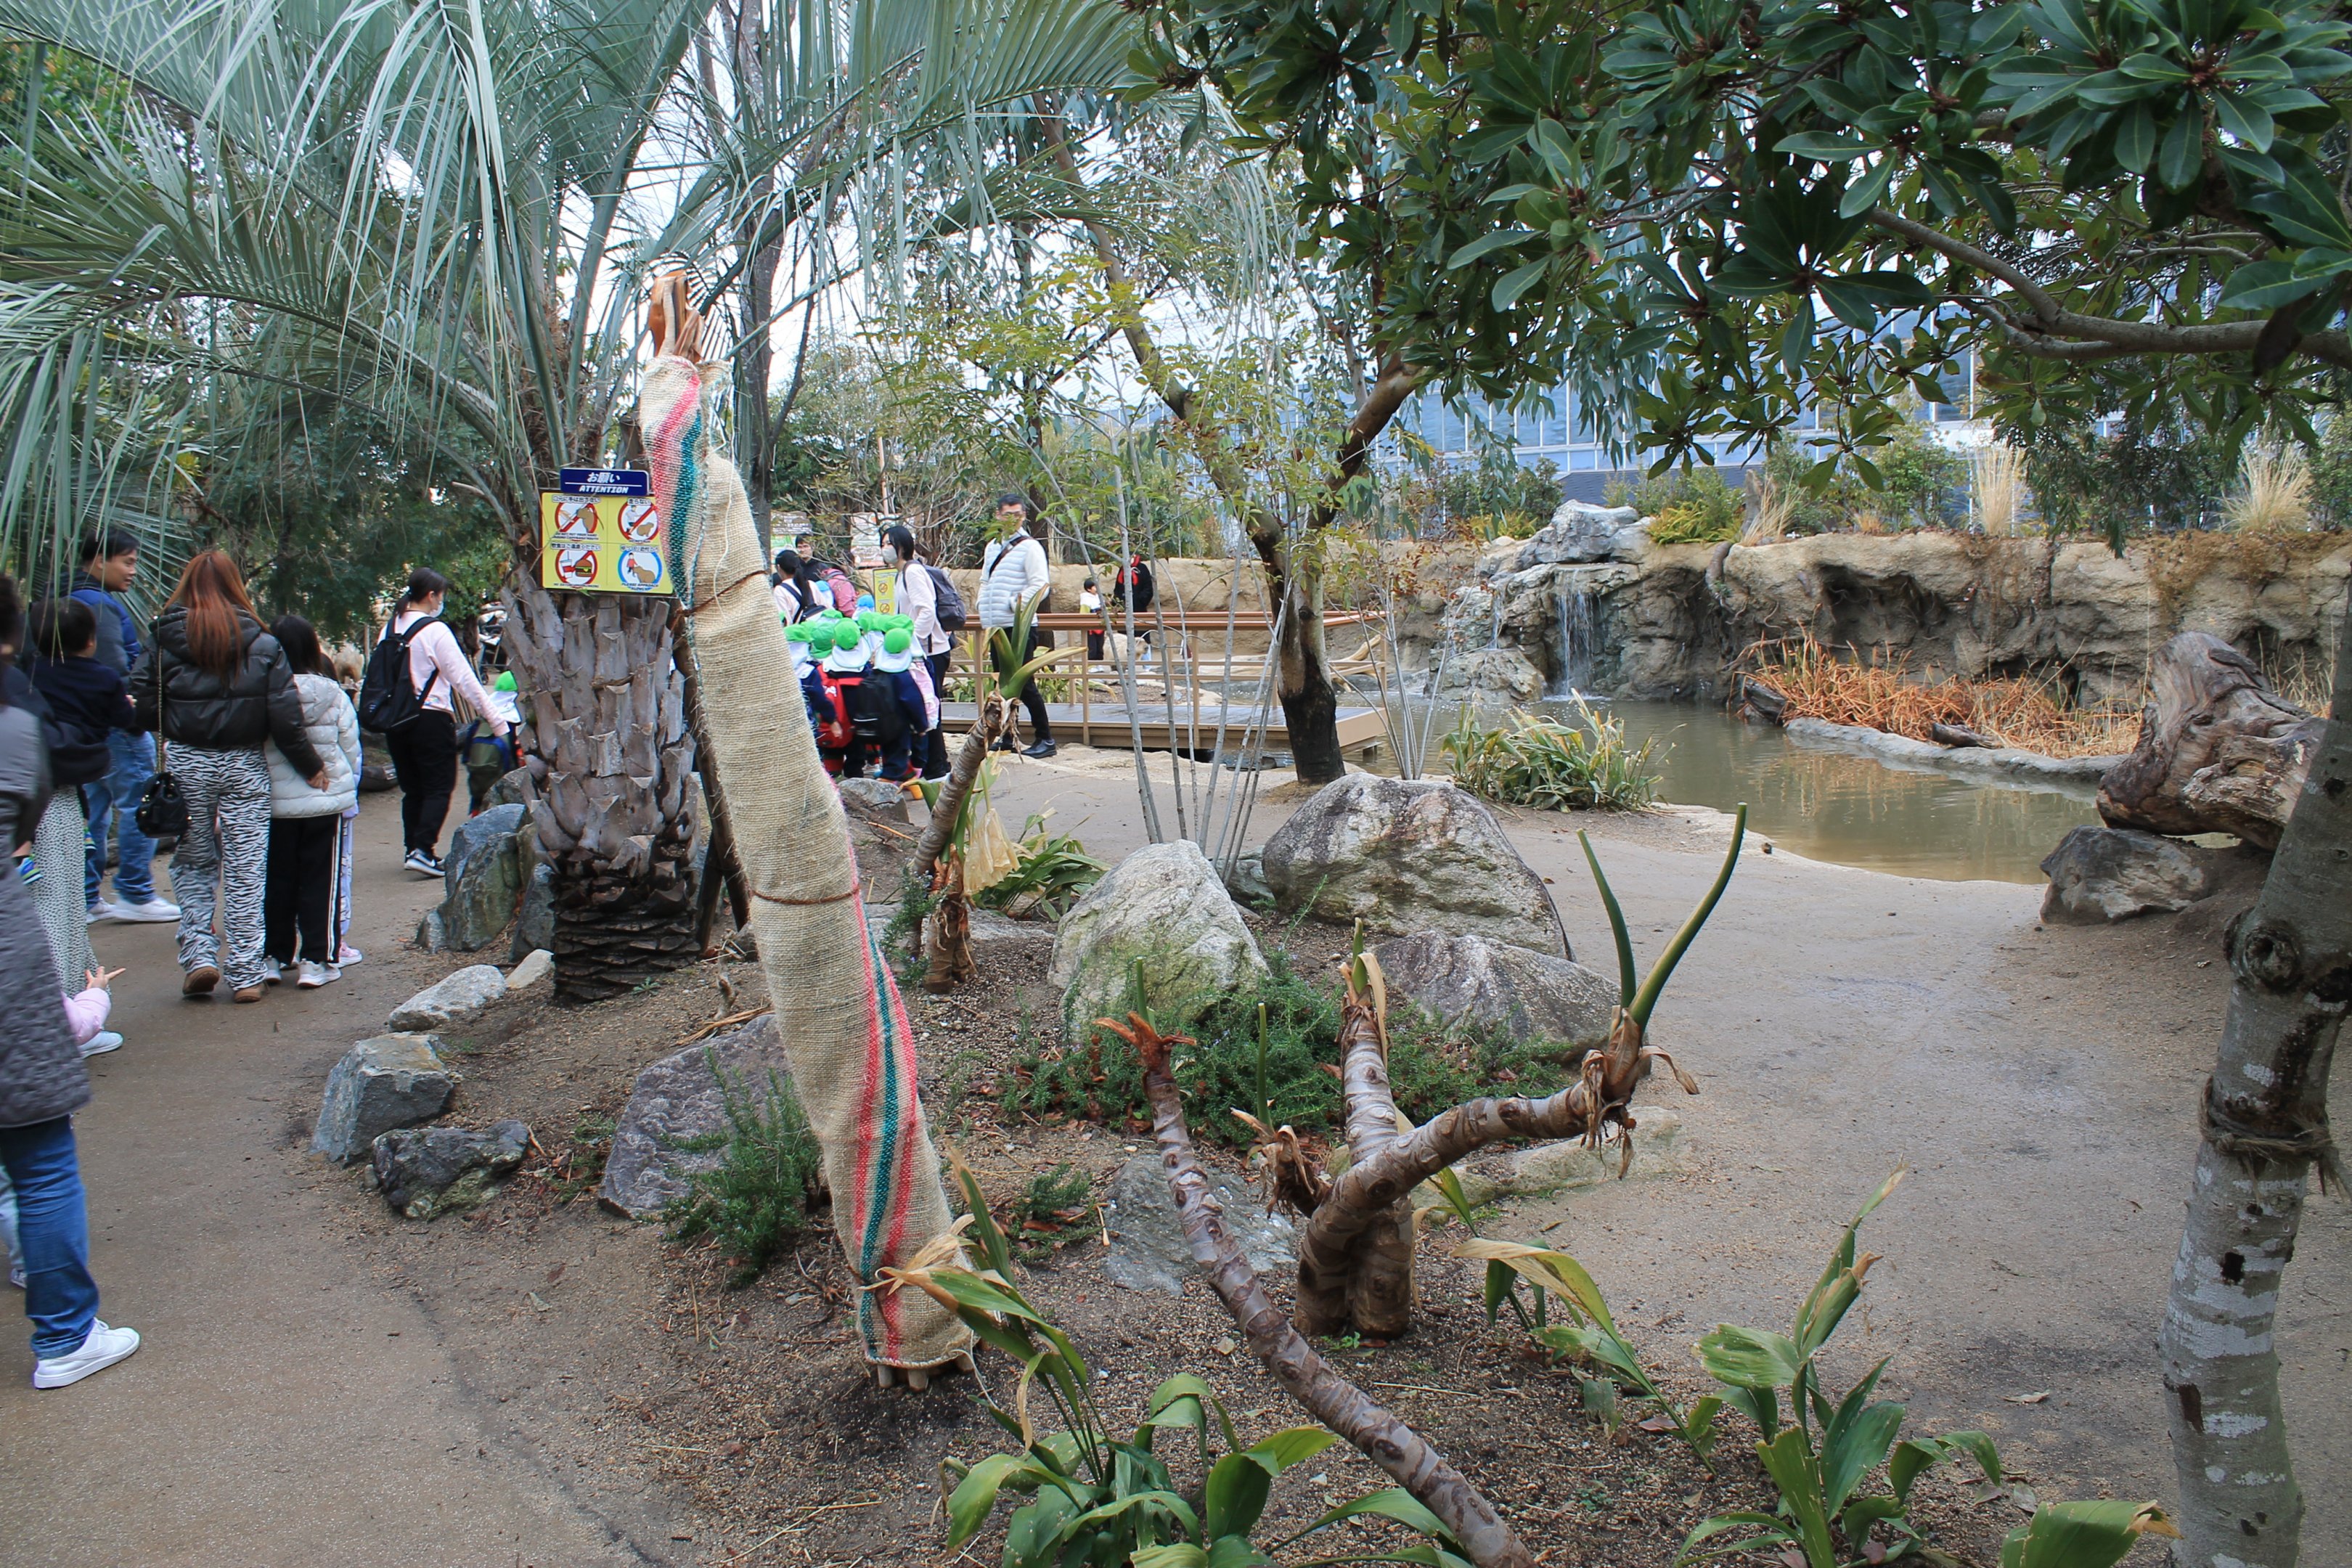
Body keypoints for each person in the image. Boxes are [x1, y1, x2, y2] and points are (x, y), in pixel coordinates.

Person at [0, 571, 142, 1389]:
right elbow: (28, 807)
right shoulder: (16, 711)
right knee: (41, 1154)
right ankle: (63, 1336)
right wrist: (87, 1003)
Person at [131, 550, 327, 1003]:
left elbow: (141, 698)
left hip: (187, 761)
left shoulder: (163, 637)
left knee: (194, 861)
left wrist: (170, 721)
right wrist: (311, 766)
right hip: (243, 762)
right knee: (246, 869)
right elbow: (285, 716)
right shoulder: (262, 642)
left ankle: (200, 955)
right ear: (236, 587)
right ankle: (245, 973)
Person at [23, 600, 131, 1055]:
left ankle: (76, 1004)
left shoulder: (27, 675)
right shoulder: (97, 679)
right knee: (58, 907)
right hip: (50, 801)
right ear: (90, 640)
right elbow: (128, 721)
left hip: (39, 799)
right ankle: (63, 1024)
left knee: (56, 905)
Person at [69, 533, 176, 926]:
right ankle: (134, 890)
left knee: (96, 807)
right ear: (100, 560)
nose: (133, 571)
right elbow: (116, 671)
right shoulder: (98, 604)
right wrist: (135, 719)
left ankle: (85, 895)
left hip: (85, 727)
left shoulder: (67, 597)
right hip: (116, 724)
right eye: (127, 562)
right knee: (138, 801)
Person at [377, 568, 508, 877]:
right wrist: (497, 722)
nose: (441, 602)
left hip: (396, 720)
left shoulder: (390, 628)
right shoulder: (434, 631)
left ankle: (413, 848)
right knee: (439, 785)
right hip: (430, 718)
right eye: (441, 596)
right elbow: (464, 680)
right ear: (432, 596)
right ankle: (424, 850)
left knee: (413, 788)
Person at [262, 616, 359, 990]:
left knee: (278, 881)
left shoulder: (264, 692)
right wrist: (343, 782)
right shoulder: (331, 691)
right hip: (324, 803)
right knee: (322, 882)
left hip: (276, 805)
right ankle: (316, 960)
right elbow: (351, 749)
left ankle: (273, 957)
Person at [976, 493, 1055, 759]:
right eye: (1007, 515)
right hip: (996, 627)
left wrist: (1014, 604)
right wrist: (982, 604)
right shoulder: (992, 547)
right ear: (998, 516)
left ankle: (1045, 738)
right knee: (1003, 686)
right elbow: (985, 581)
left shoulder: (1030, 547)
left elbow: (1040, 584)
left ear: (1024, 516)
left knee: (1023, 683)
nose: (1013, 520)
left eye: (1018, 515)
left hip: (1019, 627)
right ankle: (1009, 736)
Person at [884, 526, 954, 777]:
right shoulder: (900, 574)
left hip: (929, 652)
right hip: (920, 651)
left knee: (928, 708)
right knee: (925, 708)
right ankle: (931, 764)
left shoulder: (913, 572)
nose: (885, 549)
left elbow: (926, 610)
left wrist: (911, 642)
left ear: (901, 546)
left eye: (888, 544)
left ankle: (937, 766)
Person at [867, 627, 935, 782]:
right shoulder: (903, 677)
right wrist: (921, 725)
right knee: (897, 759)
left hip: (880, 724)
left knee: (889, 754)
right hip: (899, 726)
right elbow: (913, 702)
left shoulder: (876, 673)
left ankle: (906, 777)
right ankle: (887, 787)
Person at [771, 548, 822, 624]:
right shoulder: (811, 584)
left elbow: (785, 622)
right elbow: (827, 609)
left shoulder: (780, 590)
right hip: (818, 631)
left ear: (778, 567)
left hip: (799, 634)